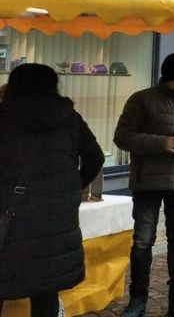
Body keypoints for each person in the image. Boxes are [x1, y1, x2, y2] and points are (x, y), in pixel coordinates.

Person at [0, 64, 105, 317]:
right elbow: (96, 157)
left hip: (9, 216)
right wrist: (72, 189)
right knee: (46, 291)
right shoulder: (69, 118)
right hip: (55, 220)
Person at [114, 53, 174, 317]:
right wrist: (161, 143)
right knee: (143, 242)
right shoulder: (141, 100)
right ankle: (138, 299)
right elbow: (122, 137)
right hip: (149, 183)